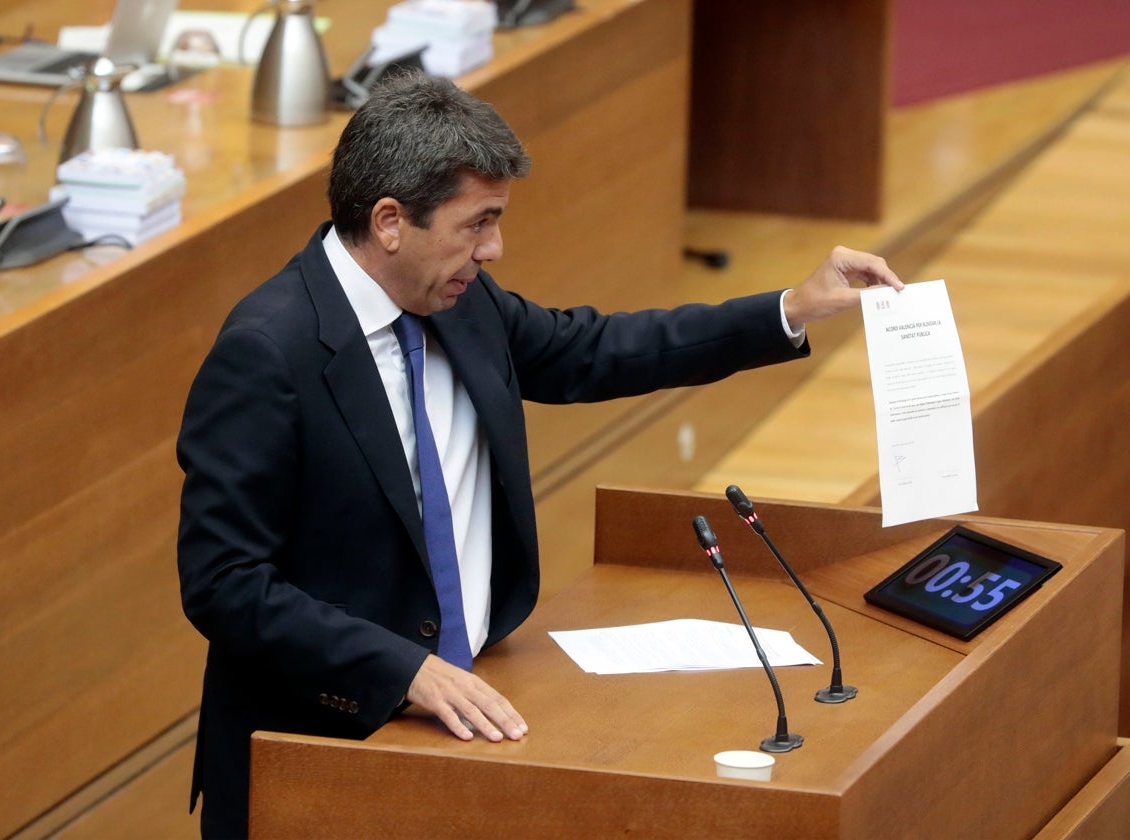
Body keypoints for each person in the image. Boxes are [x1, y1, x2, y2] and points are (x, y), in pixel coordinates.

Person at [176, 70, 903, 838]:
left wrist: (790, 307)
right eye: (478, 223)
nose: (495, 249)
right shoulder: (267, 351)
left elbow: (596, 349)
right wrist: (401, 669)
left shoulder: (457, 301)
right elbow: (224, 583)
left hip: (471, 721)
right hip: (323, 755)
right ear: (389, 221)